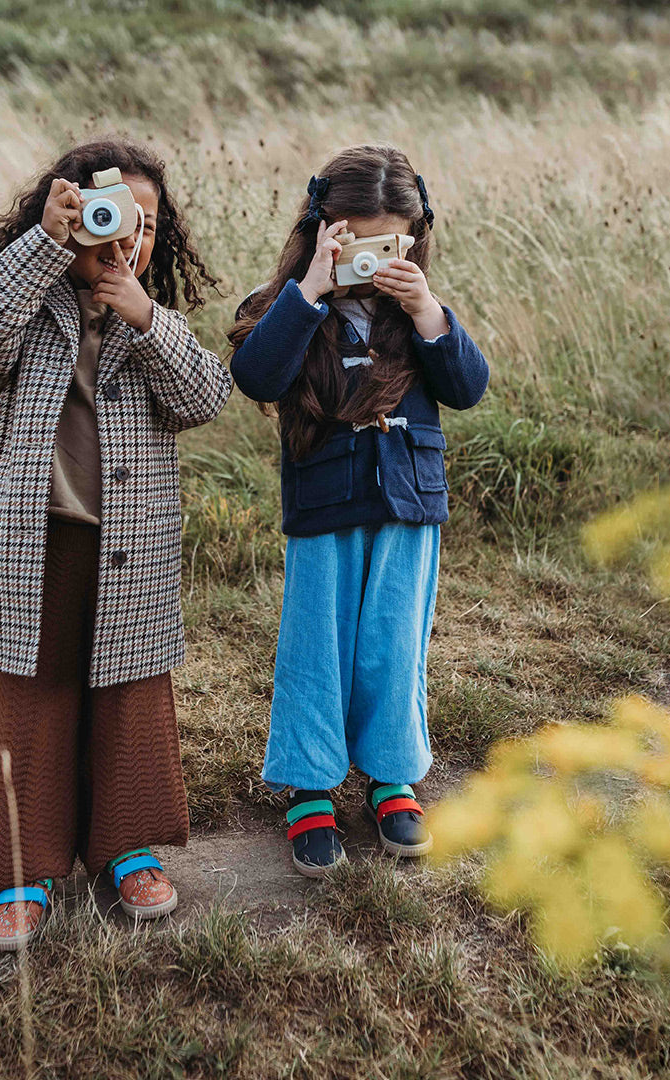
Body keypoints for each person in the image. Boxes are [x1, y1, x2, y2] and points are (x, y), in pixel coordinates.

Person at [0, 138, 231, 948]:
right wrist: (44, 243)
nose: (119, 238)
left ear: (156, 235)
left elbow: (205, 396)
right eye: (101, 217)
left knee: (130, 696)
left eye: (139, 224)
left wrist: (146, 317)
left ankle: (126, 850)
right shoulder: (32, 302)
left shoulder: (150, 320)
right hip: (34, 540)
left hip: (130, 544)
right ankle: (24, 872)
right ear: (69, 214)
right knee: (34, 702)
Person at [228, 144, 488, 877]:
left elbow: (468, 389)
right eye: (355, 238)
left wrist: (427, 308)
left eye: (391, 241)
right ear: (322, 227)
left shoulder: (417, 312)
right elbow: (256, 375)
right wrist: (310, 288)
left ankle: (391, 773)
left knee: (393, 641)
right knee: (317, 646)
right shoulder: (291, 304)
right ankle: (310, 785)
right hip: (324, 503)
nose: (373, 257)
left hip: (408, 502)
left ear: (414, 234)